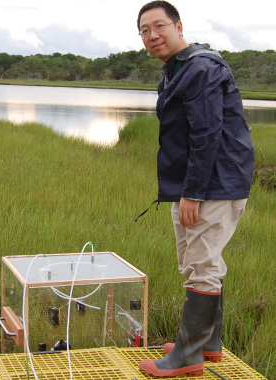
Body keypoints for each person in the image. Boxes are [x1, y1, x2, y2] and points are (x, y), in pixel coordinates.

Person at [136, 1, 254, 378]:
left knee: (200, 265)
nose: (152, 36)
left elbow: (207, 134)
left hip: (214, 185)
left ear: (178, 25)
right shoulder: (178, 70)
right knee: (198, 262)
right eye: (144, 31)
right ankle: (207, 344)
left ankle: (188, 357)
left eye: (158, 26)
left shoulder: (200, 68)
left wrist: (194, 193)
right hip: (200, 183)